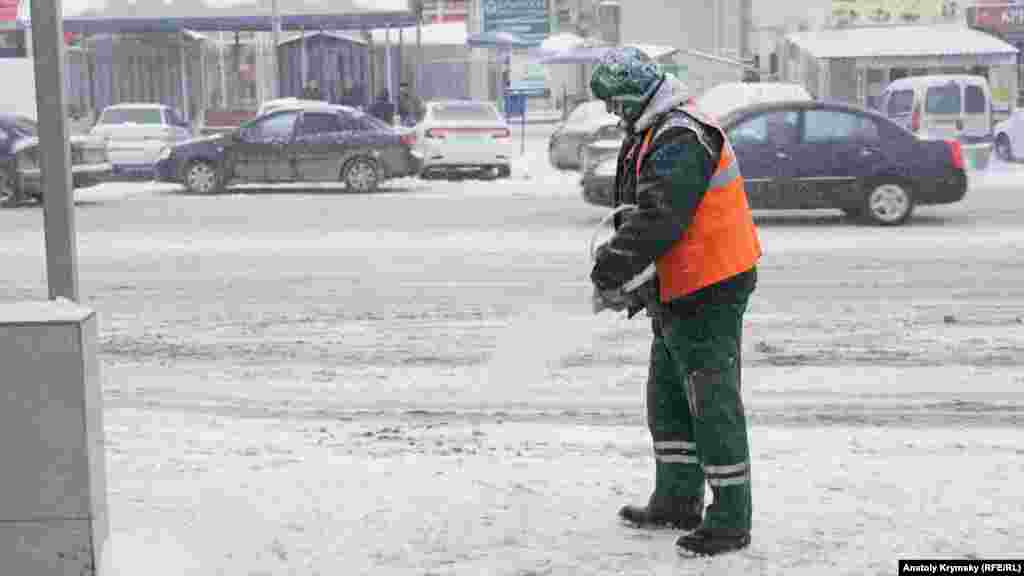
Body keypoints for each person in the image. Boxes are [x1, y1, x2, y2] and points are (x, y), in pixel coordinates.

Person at [588, 46, 762, 557]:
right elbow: (640, 213)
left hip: (711, 285)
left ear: (636, 94)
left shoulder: (681, 137)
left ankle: (730, 518)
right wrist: (637, 287)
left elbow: (661, 218)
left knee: (711, 402)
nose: (612, 112)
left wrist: (612, 268)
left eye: (616, 102)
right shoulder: (653, 129)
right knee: (666, 396)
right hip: (679, 283)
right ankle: (677, 498)